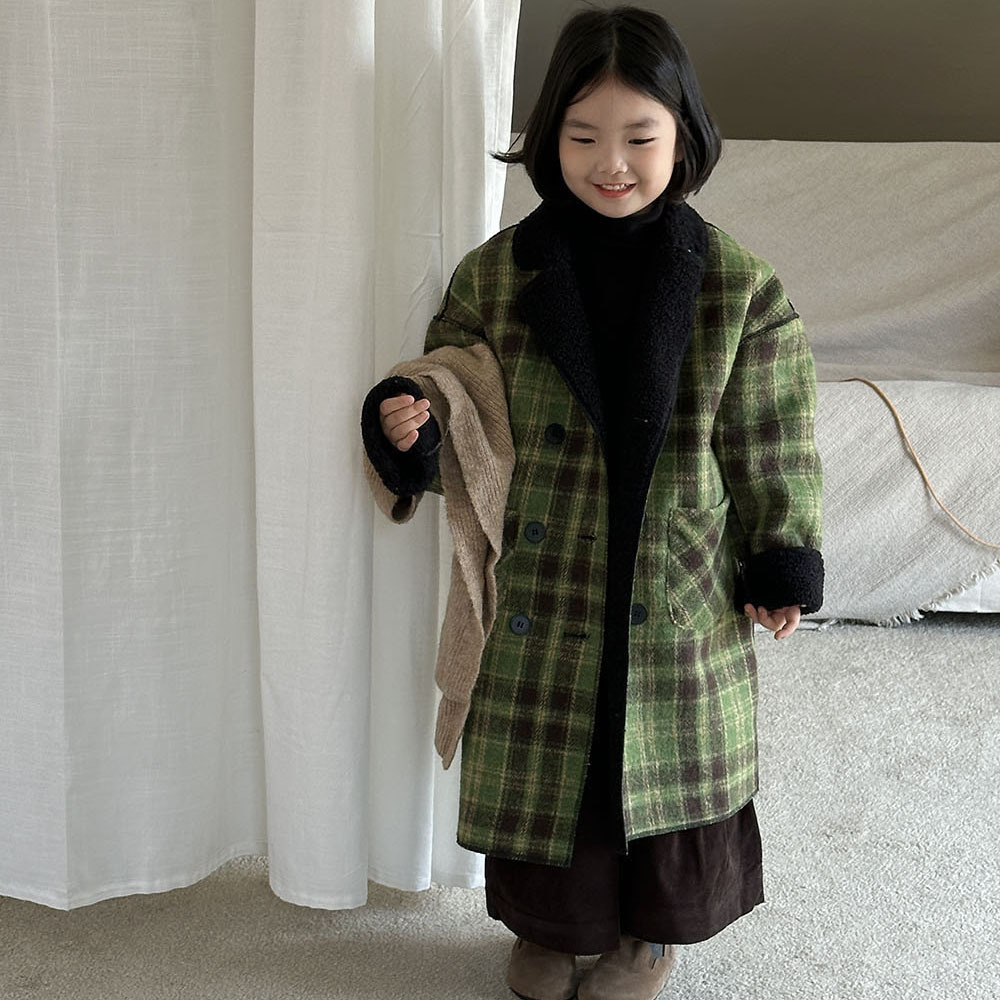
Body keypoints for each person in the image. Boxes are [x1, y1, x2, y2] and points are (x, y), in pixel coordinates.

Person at [360, 7, 824, 1000]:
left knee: (656, 762)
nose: (610, 163)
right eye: (581, 137)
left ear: (683, 137)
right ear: (547, 139)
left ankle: (647, 938)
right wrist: (411, 431)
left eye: (638, 137)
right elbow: (457, 398)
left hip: (677, 578)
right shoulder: (498, 275)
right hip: (548, 568)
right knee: (557, 761)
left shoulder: (738, 288)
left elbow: (772, 434)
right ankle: (549, 929)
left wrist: (781, 554)